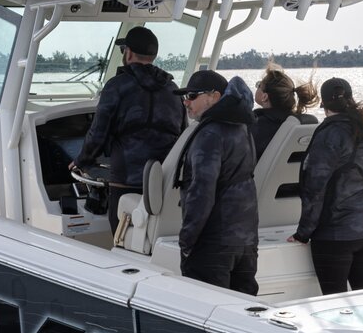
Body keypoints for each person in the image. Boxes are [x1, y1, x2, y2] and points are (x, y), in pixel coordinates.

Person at [72, 26, 185, 231]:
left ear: (128, 52)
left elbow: (98, 134)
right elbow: (182, 135)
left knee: (122, 238)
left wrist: (81, 161)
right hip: (162, 182)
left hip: (126, 182)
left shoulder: (116, 86)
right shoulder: (173, 89)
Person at [291, 76, 363, 294]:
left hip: (336, 235)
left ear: (323, 103)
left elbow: (314, 188)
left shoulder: (329, 134)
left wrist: (303, 233)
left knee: (335, 302)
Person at [175, 70, 259, 292]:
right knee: (242, 313)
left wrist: (187, 241)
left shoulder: (209, 134)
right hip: (245, 241)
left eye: (192, 96)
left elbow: (201, 192)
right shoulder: (244, 128)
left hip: (212, 243)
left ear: (214, 96)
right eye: (185, 97)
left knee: (205, 313)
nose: (186, 102)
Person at [250, 63, 319, 161]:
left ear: (265, 97)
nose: (257, 87)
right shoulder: (297, 124)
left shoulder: (255, 126)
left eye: (259, 85)